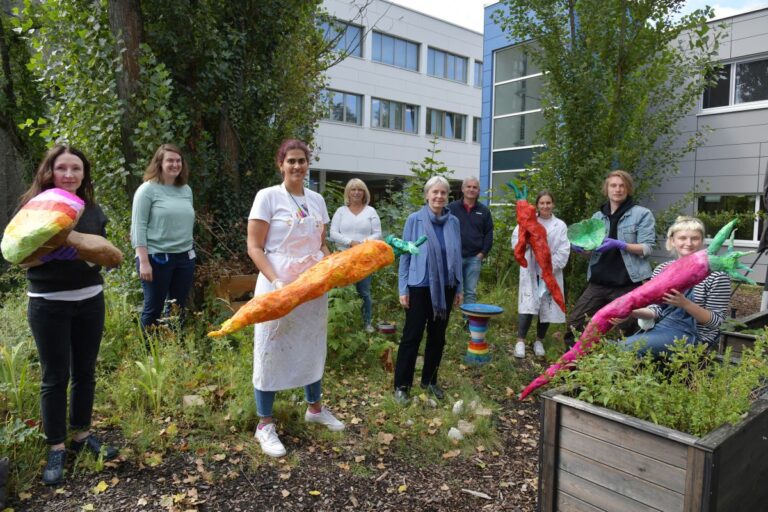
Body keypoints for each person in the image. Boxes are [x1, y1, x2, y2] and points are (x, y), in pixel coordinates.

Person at [21, 145, 119, 485]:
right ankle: (56, 446)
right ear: (49, 172)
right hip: (48, 302)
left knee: (85, 372)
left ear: (84, 174)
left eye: (76, 168)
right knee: (54, 376)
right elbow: (19, 257)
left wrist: (91, 256)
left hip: (90, 300)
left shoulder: (91, 210)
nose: (69, 174)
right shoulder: (36, 208)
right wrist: (46, 256)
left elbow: (102, 253)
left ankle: (81, 435)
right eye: (62, 168)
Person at [247, 139, 344, 458]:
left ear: (308, 164)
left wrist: (331, 268)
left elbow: (321, 243)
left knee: (312, 343)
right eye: (291, 161)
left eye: (302, 160)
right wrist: (276, 281)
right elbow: (254, 247)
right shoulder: (267, 197)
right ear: (281, 165)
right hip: (277, 283)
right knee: (270, 347)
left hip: (312, 285)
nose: (297, 166)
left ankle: (314, 408)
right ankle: (265, 423)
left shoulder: (317, 200)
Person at [613, 216, 730, 356]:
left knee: (623, 348)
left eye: (695, 238)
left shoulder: (716, 275)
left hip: (696, 337)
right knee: (617, 348)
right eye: (682, 238)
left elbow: (715, 322)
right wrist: (631, 311)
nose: (689, 243)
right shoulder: (663, 269)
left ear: (702, 241)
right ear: (672, 241)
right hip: (663, 329)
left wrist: (685, 304)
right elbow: (657, 309)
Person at [565, 170, 656, 349]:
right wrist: (581, 249)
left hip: (627, 284)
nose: (618, 189)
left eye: (622, 186)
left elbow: (647, 249)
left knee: (625, 331)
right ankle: (574, 362)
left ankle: (617, 364)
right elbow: (592, 252)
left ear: (628, 189)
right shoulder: (597, 217)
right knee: (575, 325)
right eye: (613, 185)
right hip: (598, 283)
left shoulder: (641, 214)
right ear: (606, 189)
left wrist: (620, 244)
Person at [394, 176, 463, 403]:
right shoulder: (414, 220)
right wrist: (403, 288)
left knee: (438, 337)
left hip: (446, 287)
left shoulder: (453, 222)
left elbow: (457, 256)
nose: (439, 196)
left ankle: (429, 381)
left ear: (447, 196)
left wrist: (459, 287)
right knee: (411, 336)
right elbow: (405, 255)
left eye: (443, 193)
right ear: (427, 195)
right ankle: (402, 386)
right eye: (435, 192)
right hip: (419, 285)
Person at [131, 144, 196, 333]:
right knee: (153, 310)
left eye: (178, 161)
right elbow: (138, 226)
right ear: (159, 163)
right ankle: (149, 349)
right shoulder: (147, 190)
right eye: (170, 160)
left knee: (177, 309)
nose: (175, 164)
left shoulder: (185, 190)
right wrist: (143, 261)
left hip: (185, 257)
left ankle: (174, 346)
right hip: (156, 258)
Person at [511, 191, 570, 358]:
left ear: (553, 204)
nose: (545, 206)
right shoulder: (528, 219)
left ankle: (539, 340)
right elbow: (516, 240)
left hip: (550, 272)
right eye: (542, 203)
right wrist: (527, 244)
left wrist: (549, 268)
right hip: (531, 270)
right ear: (537, 205)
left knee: (547, 307)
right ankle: (520, 341)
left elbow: (564, 250)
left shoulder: (560, 225)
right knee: (527, 305)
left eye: (548, 203)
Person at [329, 178, 382, 333]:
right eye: (353, 189)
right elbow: (333, 233)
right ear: (348, 192)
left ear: (364, 193)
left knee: (364, 291)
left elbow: (378, 234)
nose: (356, 192)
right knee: (343, 290)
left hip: (364, 257)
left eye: (360, 189)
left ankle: (366, 323)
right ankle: (345, 324)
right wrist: (350, 242)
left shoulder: (370, 211)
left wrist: (362, 243)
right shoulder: (341, 211)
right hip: (343, 256)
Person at [447, 176, 493, 306]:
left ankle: (467, 317)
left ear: (478, 191)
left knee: (470, 292)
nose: (471, 189)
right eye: (468, 186)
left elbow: (489, 233)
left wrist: (482, 253)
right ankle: (446, 316)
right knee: (450, 289)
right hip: (454, 257)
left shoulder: (484, 211)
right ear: (462, 189)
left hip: (474, 258)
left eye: (474, 187)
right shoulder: (451, 208)